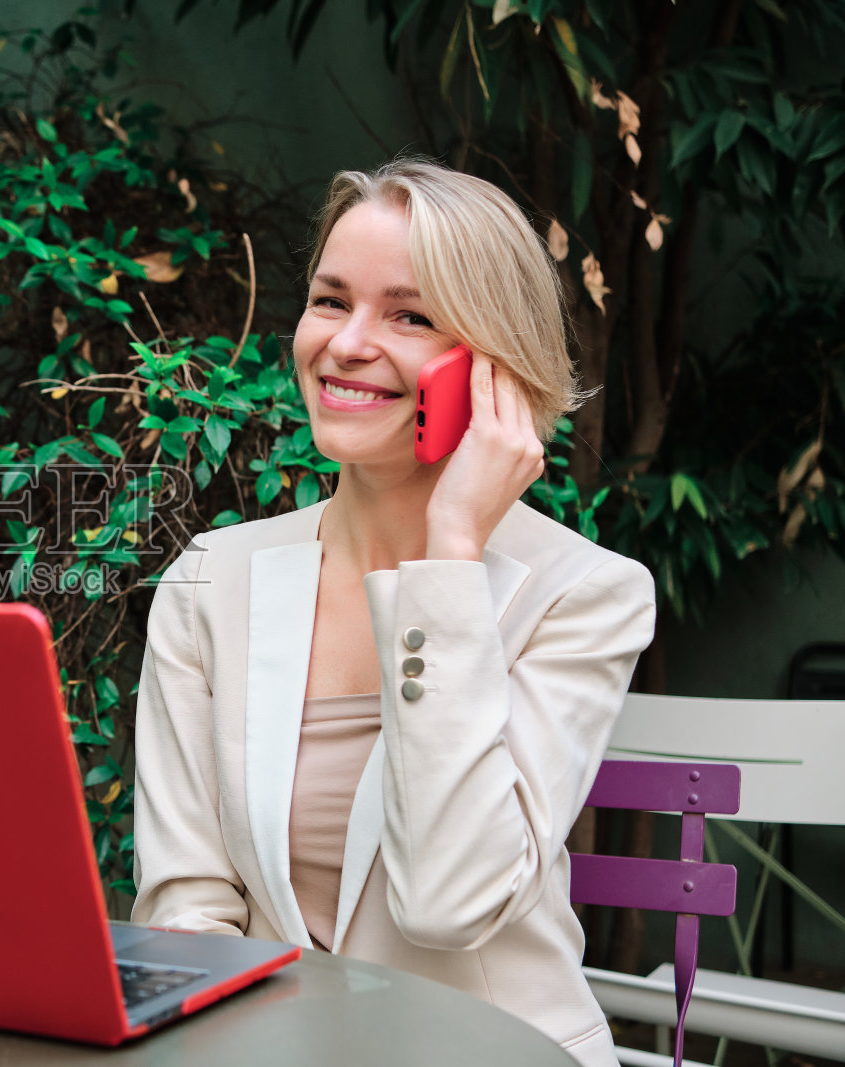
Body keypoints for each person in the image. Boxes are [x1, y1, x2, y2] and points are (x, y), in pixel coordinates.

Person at [130, 158, 654, 1067]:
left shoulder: (583, 593)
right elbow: (186, 910)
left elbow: (452, 902)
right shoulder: (211, 579)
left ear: (495, 367)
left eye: (409, 316)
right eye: (330, 301)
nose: (346, 343)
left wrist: (448, 558)